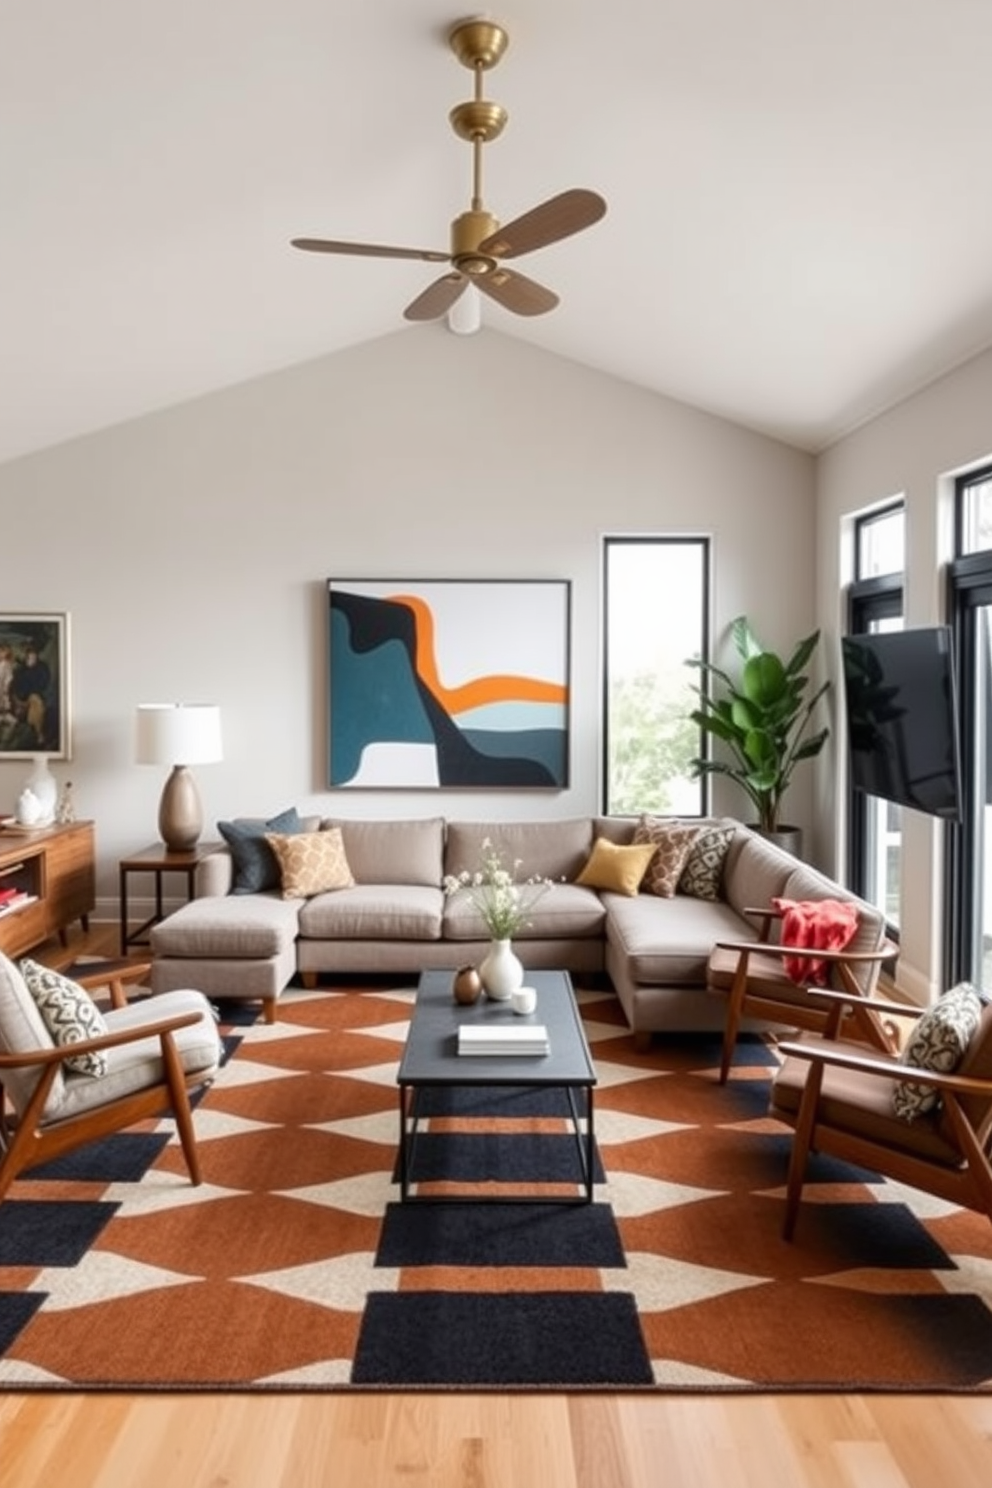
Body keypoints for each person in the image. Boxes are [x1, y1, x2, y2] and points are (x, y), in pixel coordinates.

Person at [10, 644, 52, 748]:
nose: (30, 659)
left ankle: (39, 734)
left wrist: (29, 696)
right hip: (19, 701)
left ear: (36, 656)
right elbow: (13, 687)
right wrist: (18, 701)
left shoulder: (42, 668)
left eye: (33, 657)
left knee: (35, 702)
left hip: (34, 698)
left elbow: (41, 685)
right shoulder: (19, 670)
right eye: (28, 657)